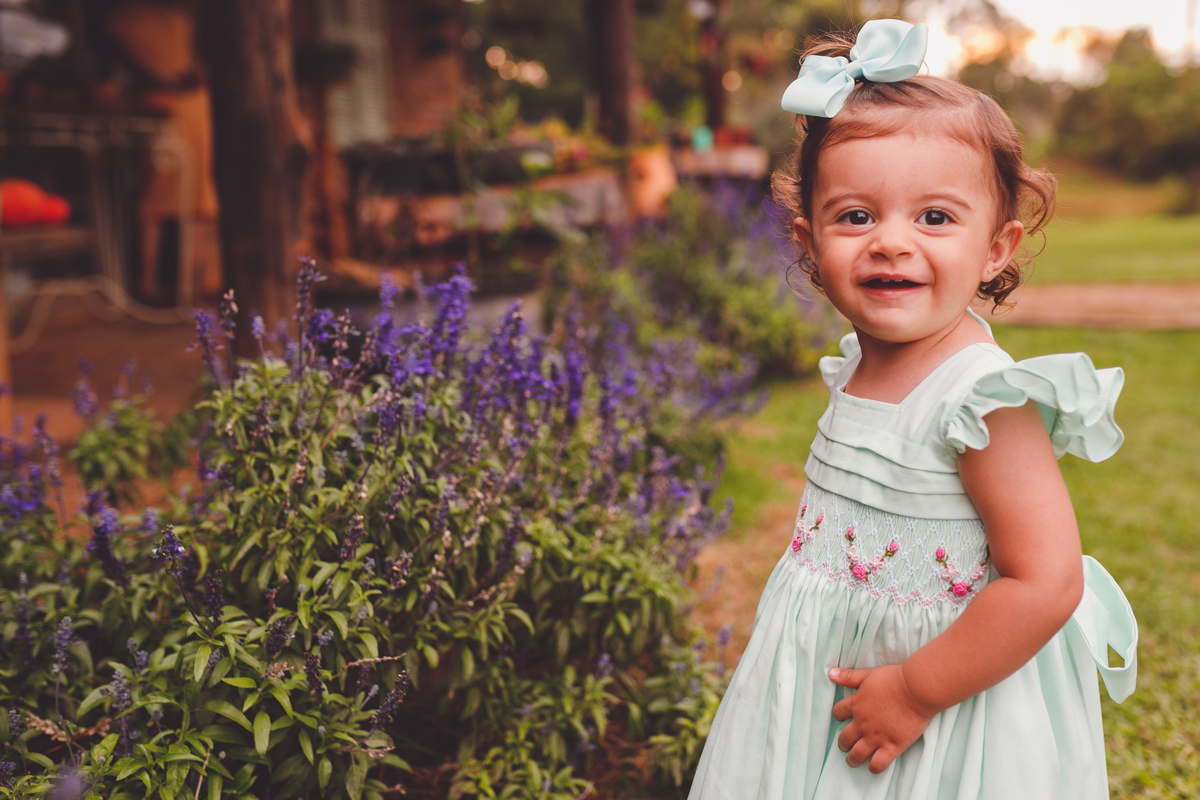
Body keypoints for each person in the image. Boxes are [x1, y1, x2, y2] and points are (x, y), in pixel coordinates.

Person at [687, 19, 1137, 800]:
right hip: (828, 665)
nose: (891, 243)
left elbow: (1046, 580)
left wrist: (918, 689)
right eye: (856, 216)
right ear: (810, 242)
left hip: (948, 698)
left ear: (995, 248)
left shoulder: (981, 400)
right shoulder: (855, 362)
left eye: (934, 218)